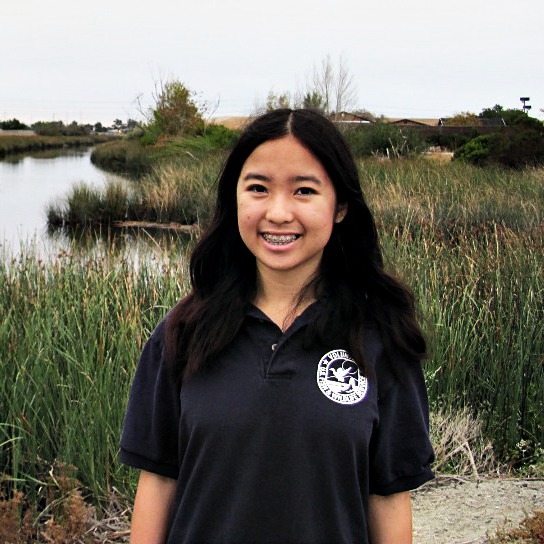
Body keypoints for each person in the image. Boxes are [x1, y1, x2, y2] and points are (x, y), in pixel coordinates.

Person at [119, 108, 435, 544]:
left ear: (340, 205)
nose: (279, 213)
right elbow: (158, 482)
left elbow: (388, 498)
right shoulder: (182, 332)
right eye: (258, 189)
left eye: (304, 190)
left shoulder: (380, 337)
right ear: (235, 198)